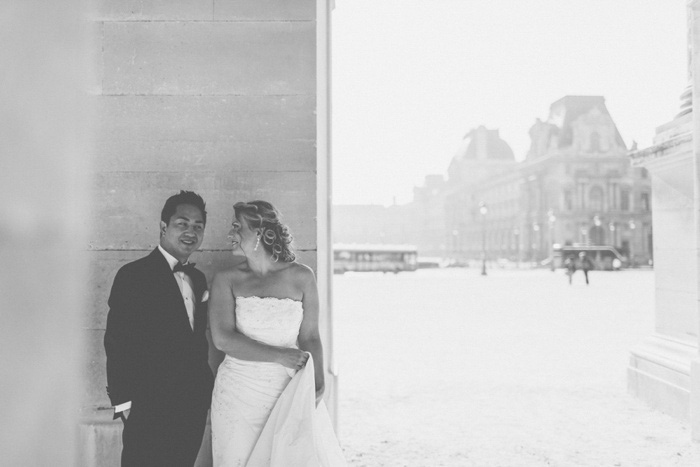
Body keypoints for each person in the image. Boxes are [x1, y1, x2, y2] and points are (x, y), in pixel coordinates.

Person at [209, 200, 346, 466]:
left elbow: (311, 337)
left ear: (259, 233)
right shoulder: (227, 279)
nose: (230, 233)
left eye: (238, 227)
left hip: (287, 390)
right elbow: (223, 338)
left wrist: (318, 382)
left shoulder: (302, 277)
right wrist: (280, 355)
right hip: (238, 394)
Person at [104, 191, 214, 467]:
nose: (191, 231)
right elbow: (117, 344)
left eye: (198, 226)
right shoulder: (133, 275)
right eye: (183, 223)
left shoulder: (198, 279)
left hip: (192, 406)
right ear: (164, 227)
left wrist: (203, 395)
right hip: (148, 409)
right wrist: (124, 405)